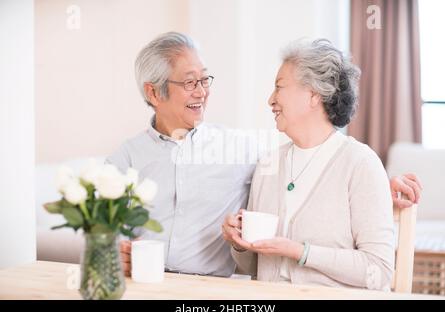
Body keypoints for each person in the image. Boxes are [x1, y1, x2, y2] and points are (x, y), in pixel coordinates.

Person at [108, 32, 421, 278]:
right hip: (144, 284)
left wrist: (377, 188)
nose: (202, 91)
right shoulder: (125, 158)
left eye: (204, 80)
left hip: (207, 290)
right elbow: (93, 229)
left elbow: (323, 164)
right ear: (153, 93)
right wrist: (112, 252)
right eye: (190, 82)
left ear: (314, 95)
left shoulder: (244, 150)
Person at [222, 38, 415, 290]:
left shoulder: (360, 164)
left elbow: (378, 272)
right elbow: (252, 269)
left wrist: (301, 252)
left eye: (279, 87)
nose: (270, 100)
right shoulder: (268, 165)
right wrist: (239, 241)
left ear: (314, 94)